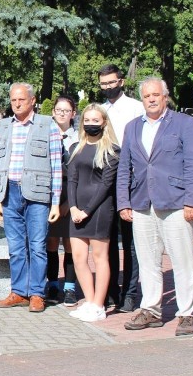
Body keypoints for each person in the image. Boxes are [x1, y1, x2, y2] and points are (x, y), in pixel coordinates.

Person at [117, 77, 193, 336]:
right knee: (147, 262)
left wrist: (191, 200)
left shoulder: (183, 123)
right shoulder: (132, 127)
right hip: (142, 203)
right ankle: (151, 310)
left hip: (176, 203)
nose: (152, 99)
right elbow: (124, 168)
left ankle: (186, 313)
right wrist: (124, 201)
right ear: (142, 99)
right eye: (147, 96)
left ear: (165, 97)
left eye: (156, 95)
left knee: (182, 261)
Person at [0, 83, 62, 313]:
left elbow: (56, 165)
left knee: (37, 245)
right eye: (13, 100)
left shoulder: (47, 125)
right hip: (10, 193)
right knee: (15, 246)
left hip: (38, 194)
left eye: (21, 99)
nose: (17, 103)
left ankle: (36, 293)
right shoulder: (3, 126)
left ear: (33, 100)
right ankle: (19, 291)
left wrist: (55, 201)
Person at [66, 104, 120, 322]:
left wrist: (87, 211)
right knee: (79, 258)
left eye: (95, 120)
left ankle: (99, 305)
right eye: (87, 120)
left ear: (104, 122)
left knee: (100, 258)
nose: (90, 124)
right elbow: (72, 179)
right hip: (76, 210)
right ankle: (89, 301)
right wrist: (72, 208)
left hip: (99, 210)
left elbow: (106, 184)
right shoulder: (75, 148)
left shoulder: (112, 150)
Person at [99, 64, 145, 312]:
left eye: (111, 82)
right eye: (103, 84)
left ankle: (129, 292)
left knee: (129, 242)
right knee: (106, 239)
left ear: (121, 81)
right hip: (106, 179)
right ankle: (111, 291)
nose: (108, 87)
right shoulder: (101, 111)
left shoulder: (136, 108)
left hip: (130, 180)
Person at [46, 96, 79, 306]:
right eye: (59, 110)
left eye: (66, 110)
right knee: (50, 242)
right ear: (53, 112)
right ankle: (52, 284)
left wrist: (70, 202)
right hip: (50, 192)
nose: (62, 113)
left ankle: (69, 287)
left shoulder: (80, 136)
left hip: (72, 191)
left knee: (69, 243)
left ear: (73, 113)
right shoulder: (46, 133)